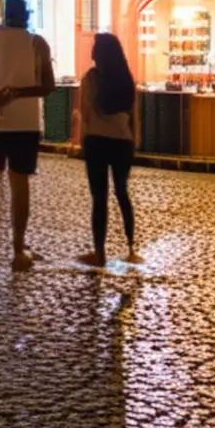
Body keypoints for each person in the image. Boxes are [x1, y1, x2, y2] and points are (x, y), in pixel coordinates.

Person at [0, 0, 55, 272]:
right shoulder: (37, 43)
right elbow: (47, 86)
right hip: (25, 123)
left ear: (3, 13)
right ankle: (18, 248)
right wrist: (17, 93)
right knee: (20, 186)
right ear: (26, 14)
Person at [77, 33, 140, 267]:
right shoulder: (126, 80)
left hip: (96, 141)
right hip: (122, 141)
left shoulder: (91, 79)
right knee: (122, 192)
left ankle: (99, 252)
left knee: (99, 198)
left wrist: (81, 141)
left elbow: (84, 113)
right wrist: (133, 141)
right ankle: (132, 247)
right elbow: (135, 117)